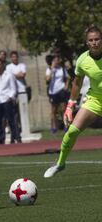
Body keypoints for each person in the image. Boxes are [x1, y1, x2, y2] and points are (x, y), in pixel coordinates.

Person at [44, 25, 102, 178]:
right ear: (87, 43)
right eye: (91, 40)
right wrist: (70, 106)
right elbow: (77, 83)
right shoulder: (83, 60)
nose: (94, 42)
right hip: (95, 100)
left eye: (97, 39)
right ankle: (60, 164)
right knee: (72, 132)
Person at [0, 59, 20, 144]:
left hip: (7, 99)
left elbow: (13, 88)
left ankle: (14, 137)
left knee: (10, 119)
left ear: (3, 65)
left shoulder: (9, 75)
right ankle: (0, 138)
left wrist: (10, 97)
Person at [45, 54, 70, 133]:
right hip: (53, 92)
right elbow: (47, 79)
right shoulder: (49, 69)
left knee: (64, 108)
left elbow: (68, 78)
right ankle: (54, 127)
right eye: (54, 60)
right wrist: (52, 69)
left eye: (57, 60)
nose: (56, 61)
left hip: (61, 90)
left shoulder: (62, 69)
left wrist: (66, 85)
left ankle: (66, 126)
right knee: (54, 110)